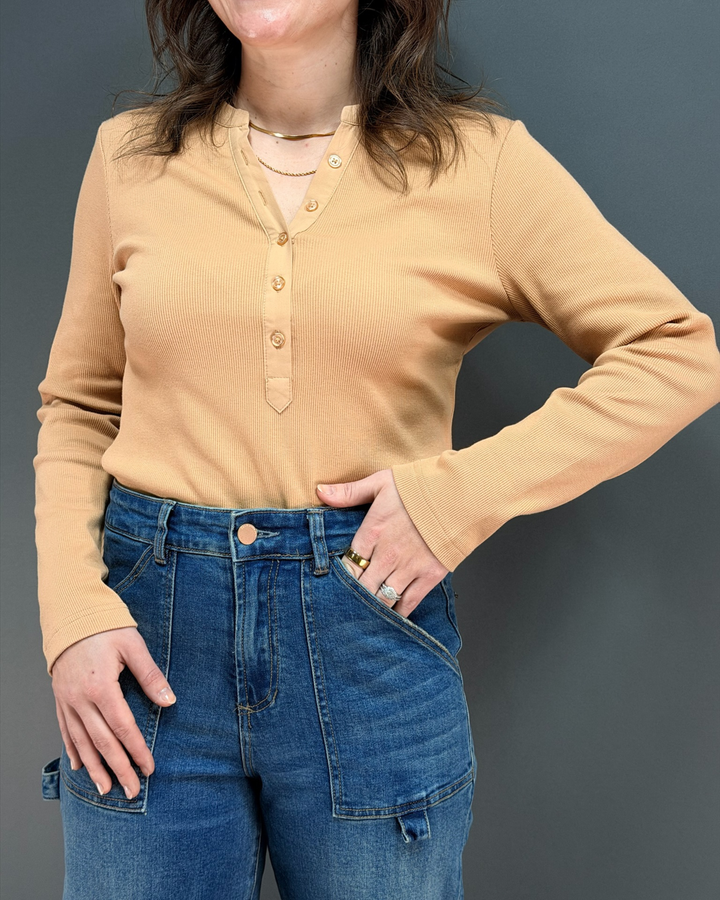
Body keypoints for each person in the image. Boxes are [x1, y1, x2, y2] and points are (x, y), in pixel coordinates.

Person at [35, 1, 720, 898]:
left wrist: (455, 499)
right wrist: (70, 613)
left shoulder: (478, 165)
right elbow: (83, 403)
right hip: (147, 641)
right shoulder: (129, 159)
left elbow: (677, 349)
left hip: (365, 635)